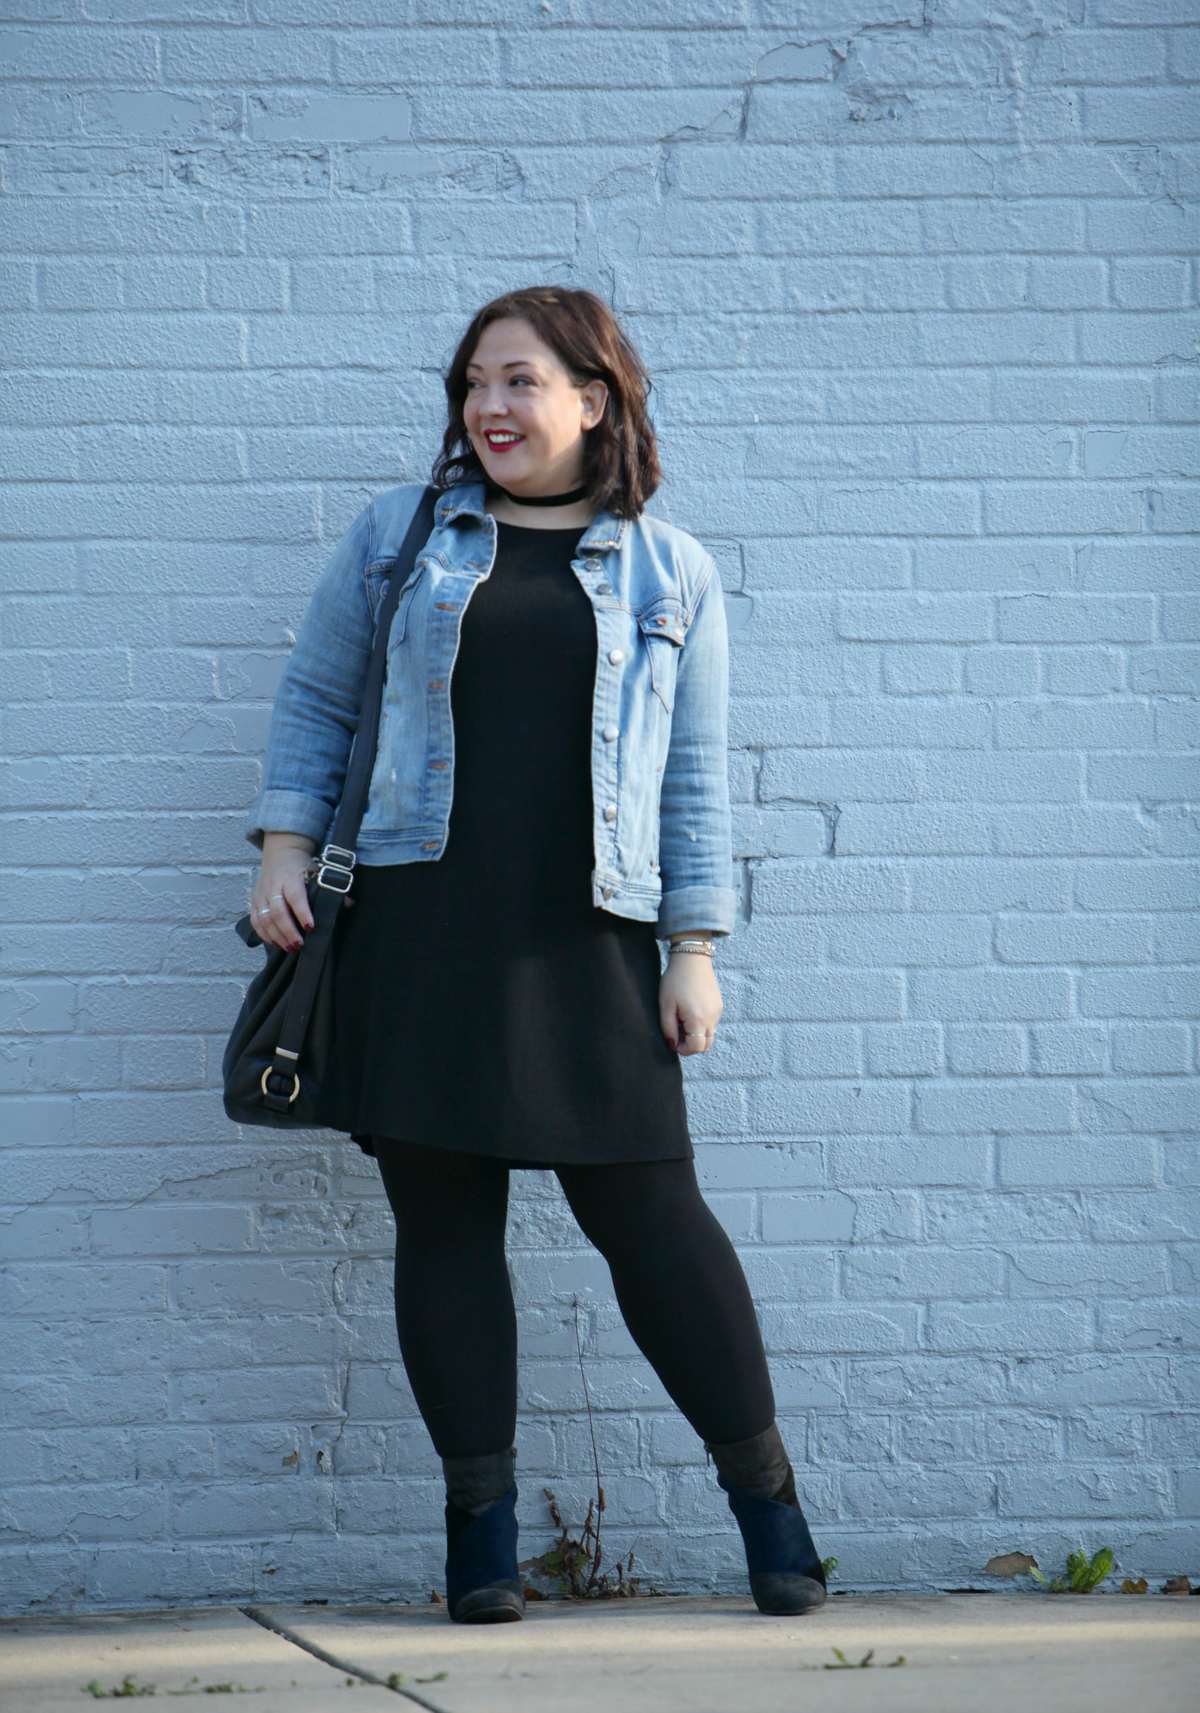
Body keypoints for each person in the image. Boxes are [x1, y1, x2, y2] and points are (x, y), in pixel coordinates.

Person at [240, 285, 827, 1623]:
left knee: (652, 1217)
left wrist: (694, 945)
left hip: (595, 933)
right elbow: (321, 692)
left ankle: (770, 1507)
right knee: (445, 1223)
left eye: (518, 380)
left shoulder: (668, 566)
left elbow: (693, 776)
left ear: (594, 397)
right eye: (472, 384)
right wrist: (283, 846)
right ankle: (481, 1535)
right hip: (418, 915)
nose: (488, 408)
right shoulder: (401, 537)